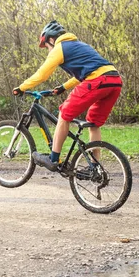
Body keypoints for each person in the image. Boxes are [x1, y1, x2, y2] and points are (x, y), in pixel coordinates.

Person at [12, 20, 122, 172]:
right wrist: (63, 87)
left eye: (46, 47)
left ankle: (53, 159)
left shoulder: (59, 48)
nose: (47, 50)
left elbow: (42, 75)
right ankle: (95, 168)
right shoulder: (81, 46)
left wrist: (21, 87)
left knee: (65, 114)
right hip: (114, 81)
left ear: (51, 39)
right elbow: (87, 72)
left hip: (98, 80)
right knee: (94, 123)